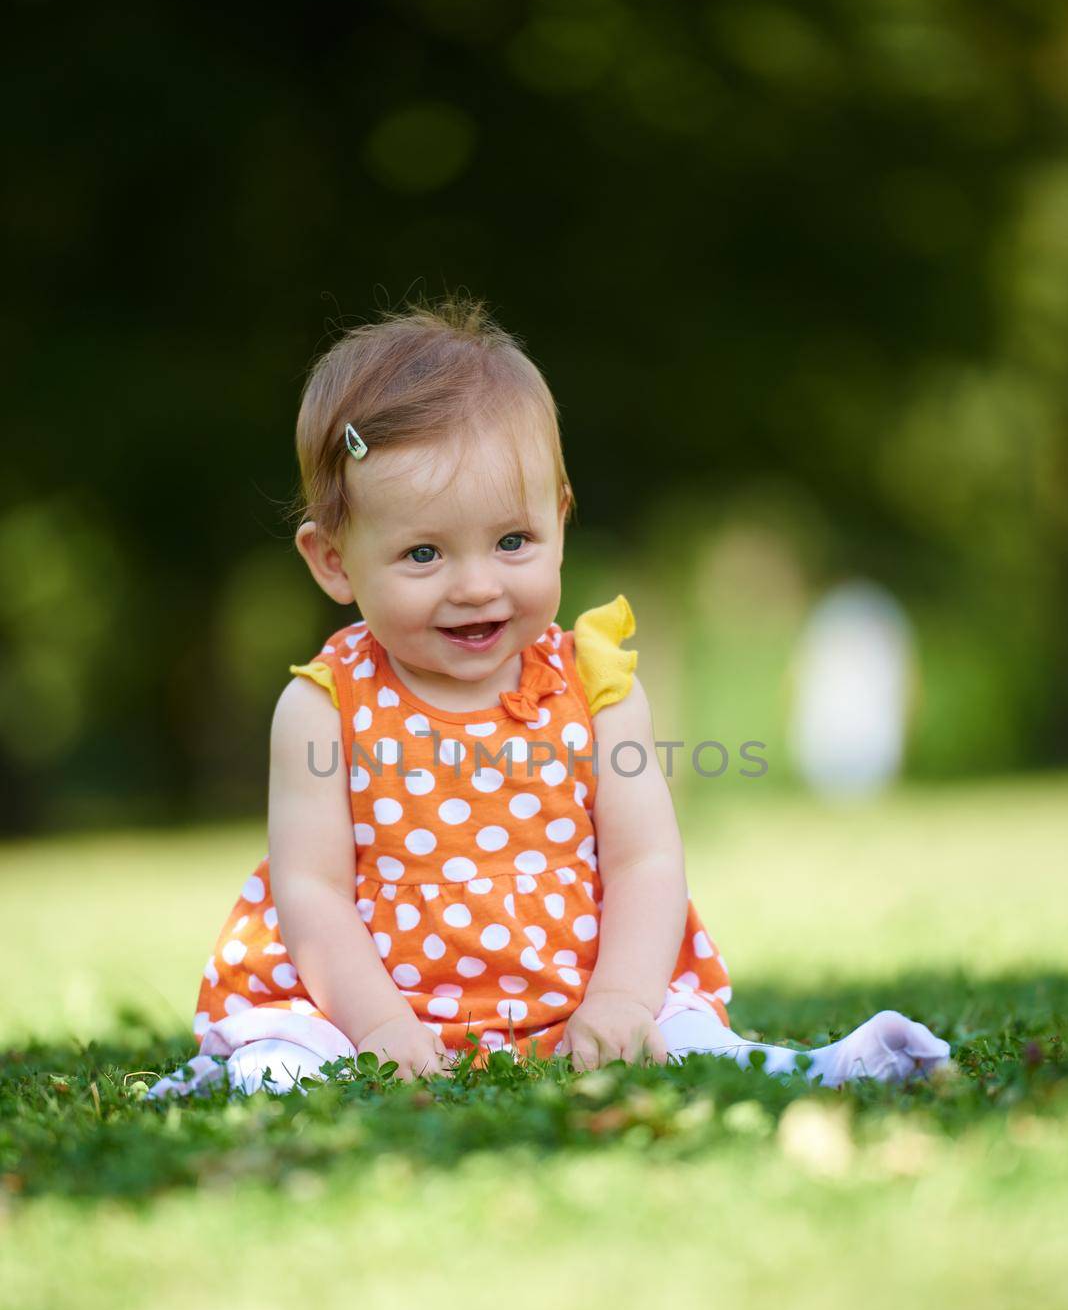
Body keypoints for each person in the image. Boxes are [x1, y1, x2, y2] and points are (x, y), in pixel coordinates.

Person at [148, 297, 950, 1100]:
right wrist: (382, 1029)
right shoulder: (326, 708)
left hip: (572, 992)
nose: (476, 585)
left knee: (680, 1037)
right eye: (423, 553)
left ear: (559, 521)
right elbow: (312, 891)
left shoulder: (595, 689)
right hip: (360, 1002)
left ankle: (824, 1066)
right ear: (332, 561)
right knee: (293, 1051)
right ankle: (249, 1076)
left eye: (512, 542)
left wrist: (621, 999)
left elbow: (645, 859)